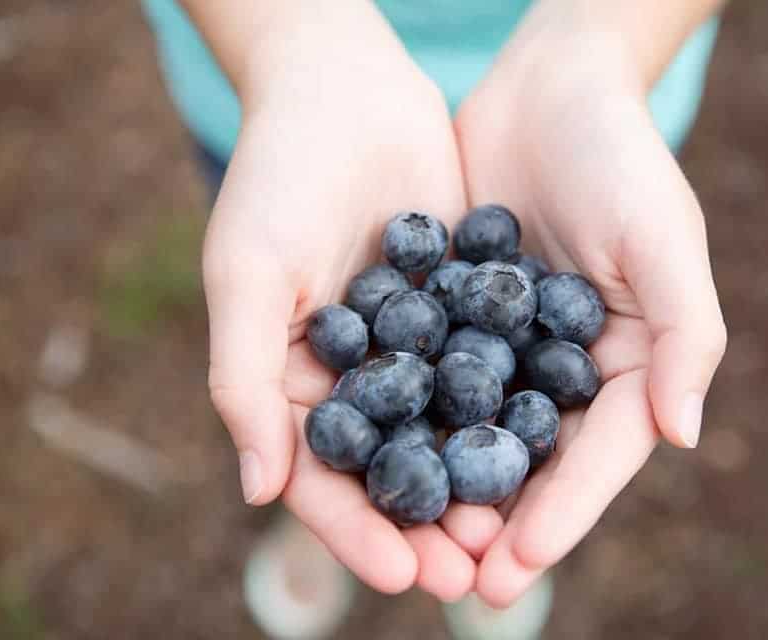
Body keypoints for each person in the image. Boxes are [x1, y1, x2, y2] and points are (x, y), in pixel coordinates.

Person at [142, 1, 728, 637]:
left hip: (597, 78)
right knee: (300, 369)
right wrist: (288, 42)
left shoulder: (494, 329)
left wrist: (602, 48)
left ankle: (471, 536)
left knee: (492, 507)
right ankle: (339, 506)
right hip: (278, 85)